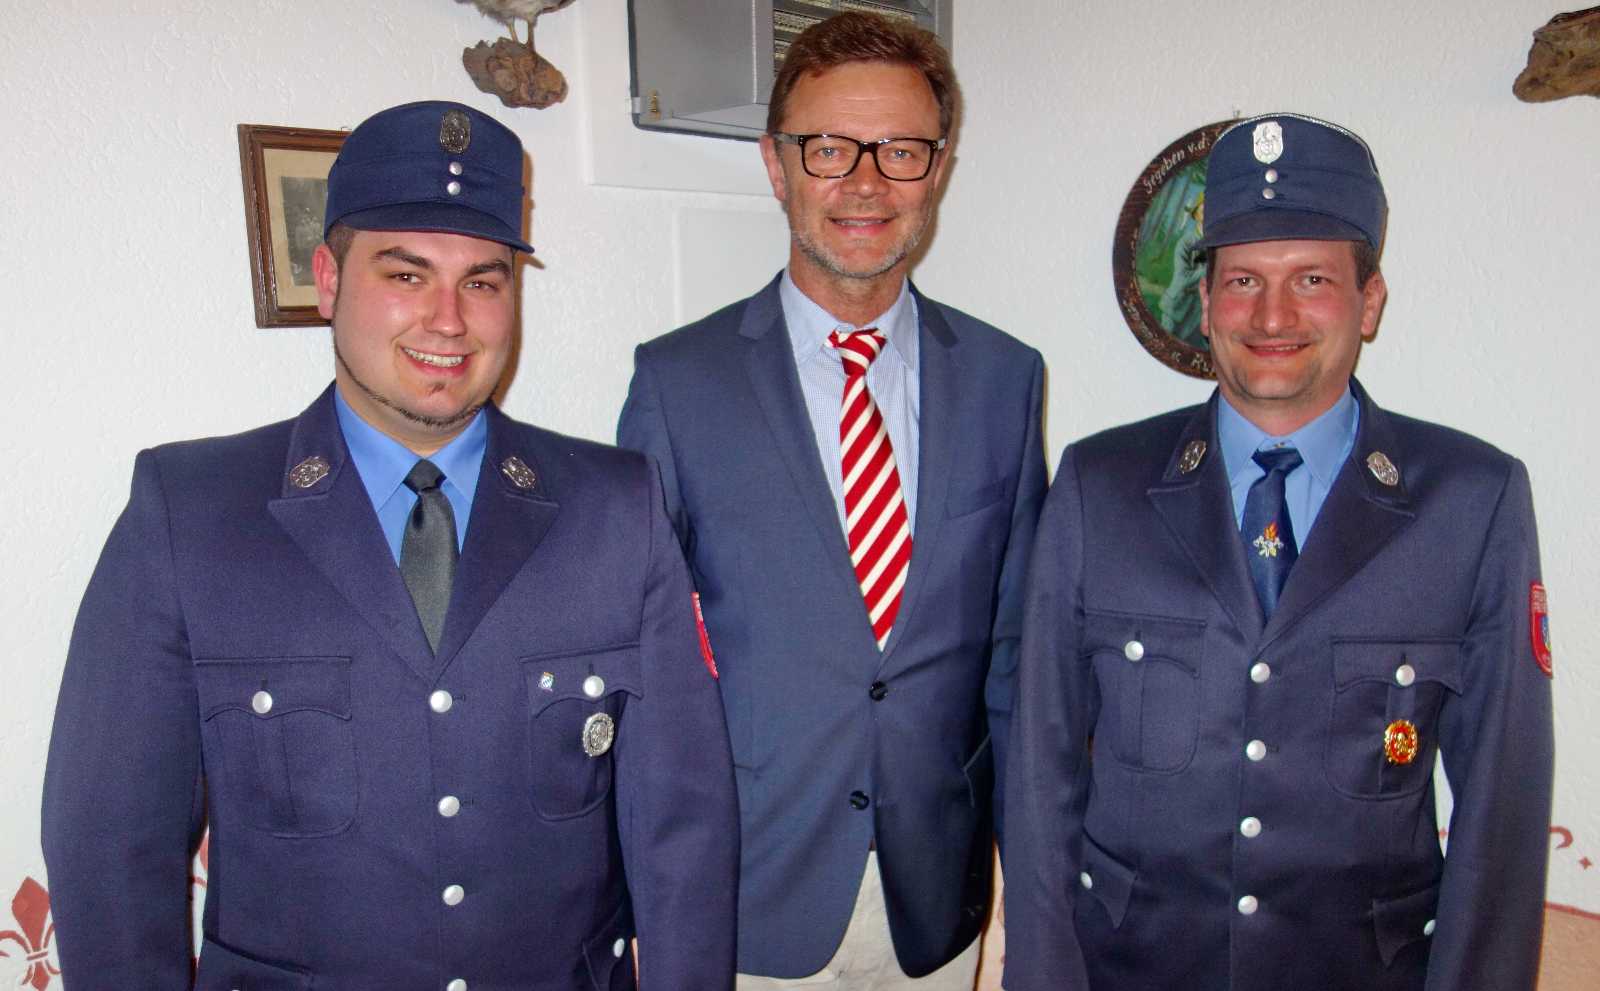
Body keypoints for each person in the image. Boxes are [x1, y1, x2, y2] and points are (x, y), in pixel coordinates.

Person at [41, 100, 738, 990]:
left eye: (483, 282)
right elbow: (110, 842)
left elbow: (684, 826)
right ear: (329, 279)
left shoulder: (615, 508)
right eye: (407, 274)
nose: (449, 320)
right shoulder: (192, 516)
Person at [1002, 113, 1554, 990]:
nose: (1272, 315)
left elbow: (1503, 811)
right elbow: (1040, 778)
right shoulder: (1098, 488)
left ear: (1370, 301)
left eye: (1312, 279)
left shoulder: (1470, 501)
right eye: (1243, 280)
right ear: (1207, 301)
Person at [618, 12, 1046, 989]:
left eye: (900, 150)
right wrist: (641, 902)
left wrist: (1031, 890)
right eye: (827, 148)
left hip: (936, 900)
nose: (865, 181)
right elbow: (640, 669)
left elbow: (1017, 660)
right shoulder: (678, 385)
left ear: (937, 169)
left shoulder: (1004, 379)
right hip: (744, 899)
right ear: (777, 166)